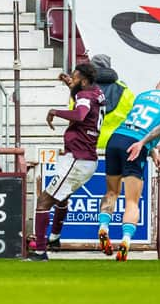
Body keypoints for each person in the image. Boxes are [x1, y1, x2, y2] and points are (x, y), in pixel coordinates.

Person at [97, 74, 160, 262]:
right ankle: (126, 240)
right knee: (132, 201)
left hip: (116, 139)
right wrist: (144, 143)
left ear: (159, 85)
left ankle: (103, 227)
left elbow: (136, 123)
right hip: (136, 145)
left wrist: (153, 152)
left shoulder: (143, 95)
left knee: (111, 191)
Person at [27, 63, 105, 261]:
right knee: (61, 198)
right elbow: (84, 101)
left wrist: (55, 111)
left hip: (78, 160)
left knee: (43, 201)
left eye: (75, 77)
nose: (72, 80)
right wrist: (70, 85)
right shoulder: (96, 92)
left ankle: (40, 251)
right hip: (83, 159)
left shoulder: (85, 97)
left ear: (84, 80)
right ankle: (54, 238)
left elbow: (80, 114)